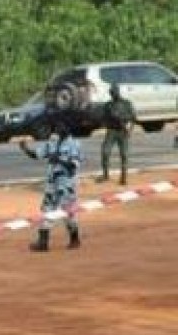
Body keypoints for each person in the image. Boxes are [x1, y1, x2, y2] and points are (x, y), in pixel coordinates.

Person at [18, 119, 83, 251]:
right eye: (56, 126)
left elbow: (74, 166)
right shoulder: (52, 142)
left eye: (61, 126)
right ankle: (64, 240)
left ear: (68, 128)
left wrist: (58, 160)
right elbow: (37, 155)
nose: (57, 128)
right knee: (55, 210)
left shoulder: (74, 144)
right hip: (52, 183)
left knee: (60, 211)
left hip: (66, 183)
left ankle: (52, 241)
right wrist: (25, 149)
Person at [97, 82, 135, 185]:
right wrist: (107, 123)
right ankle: (105, 175)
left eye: (114, 92)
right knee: (105, 152)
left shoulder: (126, 103)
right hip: (111, 131)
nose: (113, 94)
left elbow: (133, 117)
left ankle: (123, 177)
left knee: (124, 155)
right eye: (111, 92)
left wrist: (129, 129)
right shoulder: (108, 105)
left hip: (123, 131)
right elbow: (102, 118)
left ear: (118, 92)